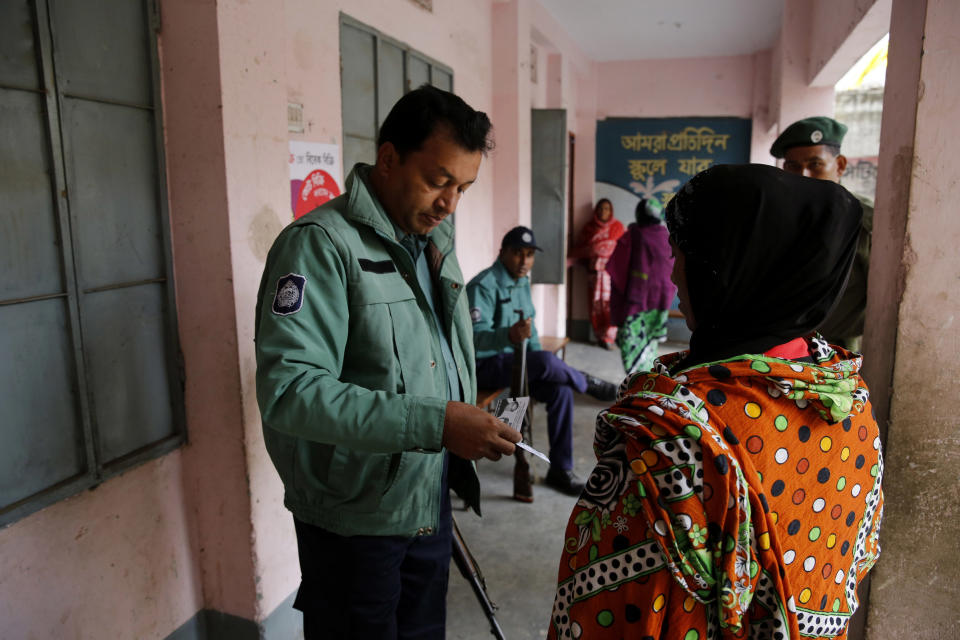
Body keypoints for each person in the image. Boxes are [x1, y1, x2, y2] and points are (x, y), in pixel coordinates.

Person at [549, 165, 883, 640]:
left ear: (724, 270)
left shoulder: (668, 444)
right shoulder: (851, 406)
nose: (673, 272)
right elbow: (859, 557)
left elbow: (603, 613)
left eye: (681, 254)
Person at [255, 85, 521, 640]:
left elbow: (423, 352)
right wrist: (438, 422)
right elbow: (290, 391)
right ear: (389, 157)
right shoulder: (320, 246)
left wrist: (464, 405)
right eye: (438, 180)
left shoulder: (433, 237)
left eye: (464, 187)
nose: (449, 203)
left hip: (427, 492)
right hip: (355, 517)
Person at [467, 226, 617, 496]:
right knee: (547, 362)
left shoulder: (522, 281)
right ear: (502, 253)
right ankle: (589, 383)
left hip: (519, 364)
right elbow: (473, 340)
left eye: (529, 255)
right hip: (485, 367)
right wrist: (509, 335)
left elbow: (532, 337)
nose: (524, 261)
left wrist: (536, 359)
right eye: (517, 254)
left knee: (560, 390)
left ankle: (560, 469)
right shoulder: (483, 286)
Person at [771, 116, 873, 352]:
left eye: (815, 164)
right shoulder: (780, 217)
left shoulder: (863, 221)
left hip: (837, 356)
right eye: (793, 166)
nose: (803, 175)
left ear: (839, 165)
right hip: (782, 351)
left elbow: (883, 303)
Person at [605, 197, 676, 375]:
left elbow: (616, 267)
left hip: (636, 302)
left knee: (631, 344)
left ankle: (639, 385)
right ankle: (647, 383)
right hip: (660, 303)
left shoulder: (636, 234)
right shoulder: (665, 236)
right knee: (650, 345)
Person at [569, 199, 626, 349]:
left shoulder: (617, 228)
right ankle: (601, 336)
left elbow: (626, 250)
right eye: (600, 208)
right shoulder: (588, 229)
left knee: (611, 305)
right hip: (594, 275)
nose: (603, 212)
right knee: (597, 306)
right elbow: (580, 249)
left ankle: (611, 336)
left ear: (611, 211)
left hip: (613, 275)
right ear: (596, 211)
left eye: (606, 208)